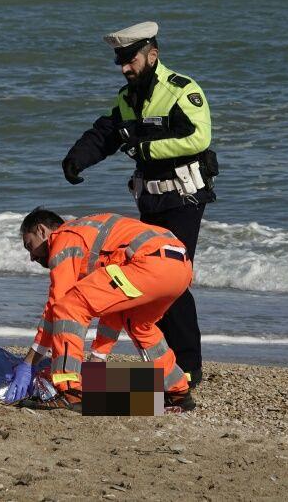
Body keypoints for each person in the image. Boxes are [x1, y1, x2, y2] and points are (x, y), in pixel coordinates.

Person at [60, 21, 217, 386]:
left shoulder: (182, 90)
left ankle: (187, 369)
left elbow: (198, 136)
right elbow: (106, 133)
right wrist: (76, 159)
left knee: (169, 280)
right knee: (152, 278)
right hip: (151, 201)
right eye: (120, 61)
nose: (125, 67)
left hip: (185, 199)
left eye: (130, 59)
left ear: (152, 54)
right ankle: (163, 373)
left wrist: (145, 146)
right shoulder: (127, 96)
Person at [4, 207, 195, 411]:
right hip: (180, 267)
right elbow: (114, 311)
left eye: (29, 245)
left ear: (42, 231)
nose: (32, 257)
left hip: (150, 262)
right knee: (139, 324)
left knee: (69, 306)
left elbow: (57, 305)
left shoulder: (64, 237)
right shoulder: (93, 238)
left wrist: (29, 362)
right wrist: (98, 359)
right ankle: (178, 392)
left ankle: (70, 390)